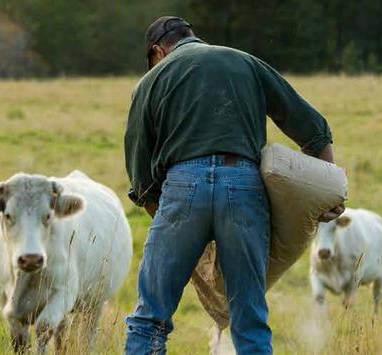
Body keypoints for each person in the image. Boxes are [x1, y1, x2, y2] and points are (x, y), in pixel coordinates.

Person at [123, 16, 345, 354]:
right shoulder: (245, 61)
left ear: (157, 51)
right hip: (244, 184)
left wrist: (172, 227)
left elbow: (141, 175)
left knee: (150, 317)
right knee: (249, 319)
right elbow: (311, 125)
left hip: (183, 185)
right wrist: (329, 189)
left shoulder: (151, 80)